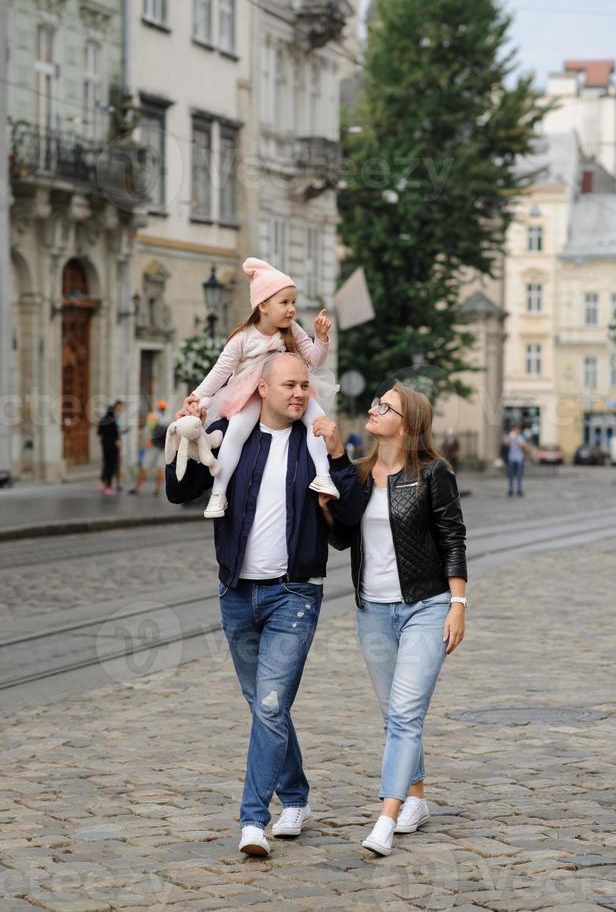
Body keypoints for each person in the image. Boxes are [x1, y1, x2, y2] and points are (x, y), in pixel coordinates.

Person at [167, 353, 364, 857]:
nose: (299, 393)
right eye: (289, 385)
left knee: (272, 704)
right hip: (236, 592)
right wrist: (188, 432)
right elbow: (179, 490)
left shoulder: (317, 441)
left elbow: (346, 527)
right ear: (262, 388)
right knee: (265, 706)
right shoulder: (234, 436)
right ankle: (296, 796)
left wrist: (340, 459)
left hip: (295, 593)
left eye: (305, 385)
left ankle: (253, 820)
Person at [321, 382, 468, 857]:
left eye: (385, 406)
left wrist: (458, 606)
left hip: (426, 607)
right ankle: (418, 799)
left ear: (407, 423)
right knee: (395, 714)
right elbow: (344, 541)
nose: (374, 408)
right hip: (373, 610)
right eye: (376, 403)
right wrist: (328, 512)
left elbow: (453, 538)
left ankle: (385, 817)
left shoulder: (433, 473)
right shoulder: (361, 475)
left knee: (405, 713)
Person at [182, 257, 340, 520]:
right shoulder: (243, 338)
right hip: (249, 393)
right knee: (236, 432)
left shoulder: (292, 330)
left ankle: (323, 476)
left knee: (318, 421)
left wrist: (321, 339)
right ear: (263, 306)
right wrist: (197, 396)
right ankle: (218, 493)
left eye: (293, 302)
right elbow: (220, 371)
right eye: (285, 302)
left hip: (286, 391)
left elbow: (314, 359)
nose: (291, 309)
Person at [129, 400, 169, 496]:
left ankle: (137, 488)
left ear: (157, 407)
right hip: (163, 446)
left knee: (144, 467)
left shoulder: (152, 415)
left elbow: (149, 431)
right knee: (160, 468)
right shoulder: (167, 418)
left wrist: (144, 443)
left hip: (152, 445)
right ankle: (157, 490)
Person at [97, 402, 122, 496]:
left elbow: (99, 432)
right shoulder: (113, 422)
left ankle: (104, 484)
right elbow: (116, 437)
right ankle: (108, 486)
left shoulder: (103, 420)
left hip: (105, 446)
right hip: (112, 448)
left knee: (106, 465)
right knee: (111, 467)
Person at [503, 426, 529, 496]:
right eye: (515, 430)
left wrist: (517, 441)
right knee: (510, 475)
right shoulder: (509, 437)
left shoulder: (520, 438)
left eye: (517, 430)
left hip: (519, 459)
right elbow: (505, 444)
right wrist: (509, 439)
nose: (516, 431)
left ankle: (519, 490)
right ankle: (510, 489)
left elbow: (525, 447)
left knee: (519, 475)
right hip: (511, 458)